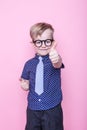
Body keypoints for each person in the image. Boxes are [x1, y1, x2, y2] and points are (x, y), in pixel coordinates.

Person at [20, 22, 64, 130]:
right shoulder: (28, 64)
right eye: (39, 42)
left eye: (47, 41)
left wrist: (55, 57)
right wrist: (24, 85)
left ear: (52, 42)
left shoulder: (53, 60)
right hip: (33, 109)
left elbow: (57, 63)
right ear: (33, 44)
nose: (43, 45)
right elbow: (25, 81)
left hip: (52, 108)